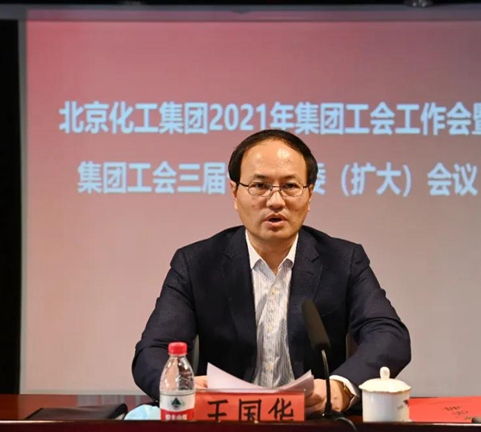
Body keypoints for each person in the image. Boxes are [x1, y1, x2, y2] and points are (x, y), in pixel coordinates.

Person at [132, 129, 410, 416]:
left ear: (309, 194)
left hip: (315, 426)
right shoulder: (197, 264)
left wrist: (340, 388)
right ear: (235, 193)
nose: (276, 201)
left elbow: (389, 335)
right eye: (260, 186)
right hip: (225, 425)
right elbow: (152, 351)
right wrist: (183, 387)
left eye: (290, 186)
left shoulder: (343, 261)